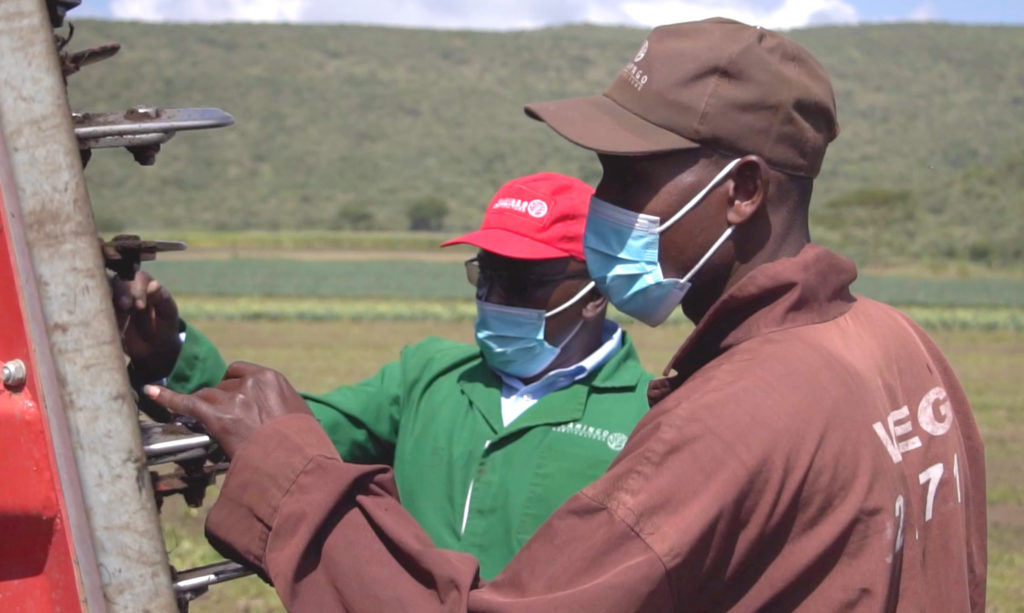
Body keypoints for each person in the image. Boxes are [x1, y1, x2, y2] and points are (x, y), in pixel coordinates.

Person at [145, 17, 986, 612]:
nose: (603, 207)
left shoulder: (727, 421)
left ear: (742, 190)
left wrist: (289, 485)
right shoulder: (899, 346)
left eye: (628, 176)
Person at [117, 172, 652, 580]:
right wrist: (170, 353)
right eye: (484, 275)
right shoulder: (428, 377)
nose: (492, 297)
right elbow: (285, 429)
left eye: (520, 281)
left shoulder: (645, 417)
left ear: (595, 293)